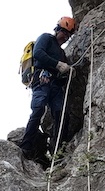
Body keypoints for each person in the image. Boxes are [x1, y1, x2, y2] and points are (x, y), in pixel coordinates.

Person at [20, 16, 76, 168]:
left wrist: (68, 72)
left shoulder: (62, 53)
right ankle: (26, 146)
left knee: (61, 114)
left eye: (68, 35)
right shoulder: (46, 38)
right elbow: (38, 53)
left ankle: (57, 153)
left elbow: (62, 72)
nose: (65, 37)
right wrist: (57, 64)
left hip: (56, 85)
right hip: (41, 80)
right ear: (58, 29)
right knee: (39, 108)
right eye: (64, 32)